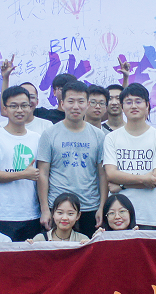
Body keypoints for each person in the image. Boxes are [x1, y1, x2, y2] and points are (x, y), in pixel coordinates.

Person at [37, 81, 107, 237]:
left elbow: (102, 174)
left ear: (87, 104)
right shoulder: (49, 134)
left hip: (89, 206)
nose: (76, 106)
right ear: (62, 103)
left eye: (81, 101)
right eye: (71, 101)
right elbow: (43, 174)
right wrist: (45, 209)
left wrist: (101, 207)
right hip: (58, 208)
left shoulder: (98, 135)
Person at [102, 83, 156, 229]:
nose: (133, 106)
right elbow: (111, 174)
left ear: (147, 105)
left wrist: (121, 185)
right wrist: (144, 179)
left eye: (138, 101)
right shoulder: (111, 138)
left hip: (149, 216)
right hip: (117, 217)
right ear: (122, 107)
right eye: (128, 102)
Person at [0, 86, 42, 241]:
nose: (19, 110)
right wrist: (23, 174)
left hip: (32, 213)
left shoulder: (37, 138)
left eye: (24, 105)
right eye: (14, 106)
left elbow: (41, 176)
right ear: (5, 108)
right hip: (3, 214)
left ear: (30, 107)